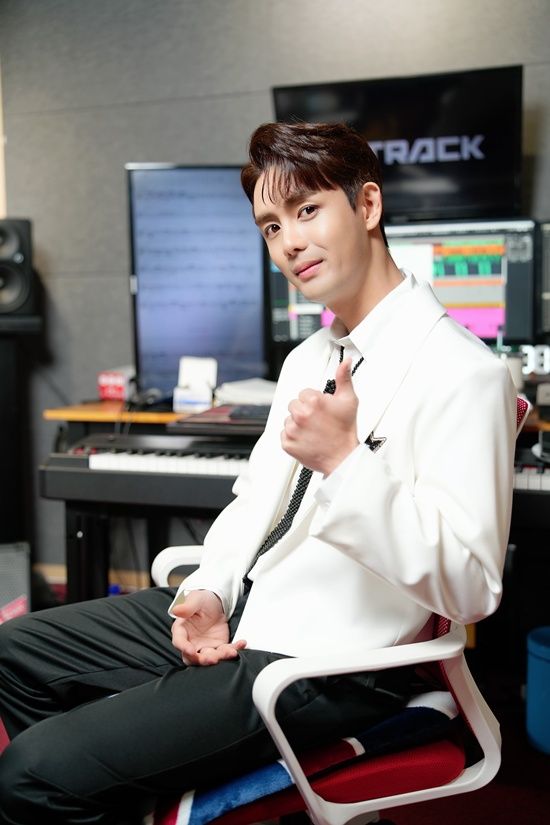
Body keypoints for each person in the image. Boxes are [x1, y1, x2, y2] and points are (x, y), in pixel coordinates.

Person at [0, 121, 517, 825]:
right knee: (14, 653)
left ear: (367, 206)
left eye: (307, 210)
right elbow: (254, 503)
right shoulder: (309, 359)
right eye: (272, 226)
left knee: (28, 775)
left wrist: (345, 464)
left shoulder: (465, 373)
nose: (289, 242)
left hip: (329, 659)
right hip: (248, 613)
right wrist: (209, 589)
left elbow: (473, 587)